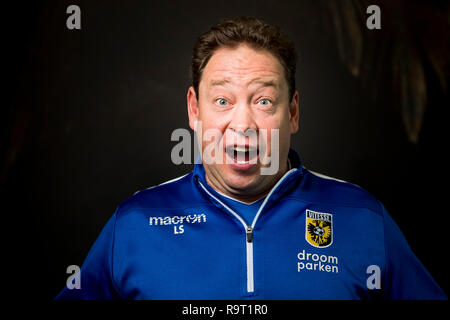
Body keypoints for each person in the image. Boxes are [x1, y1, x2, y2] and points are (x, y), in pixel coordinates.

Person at [56, 17, 446, 300]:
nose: (242, 124)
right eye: (222, 100)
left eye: (263, 101)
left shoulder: (362, 218)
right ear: (195, 111)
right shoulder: (134, 223)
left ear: (292, 113)